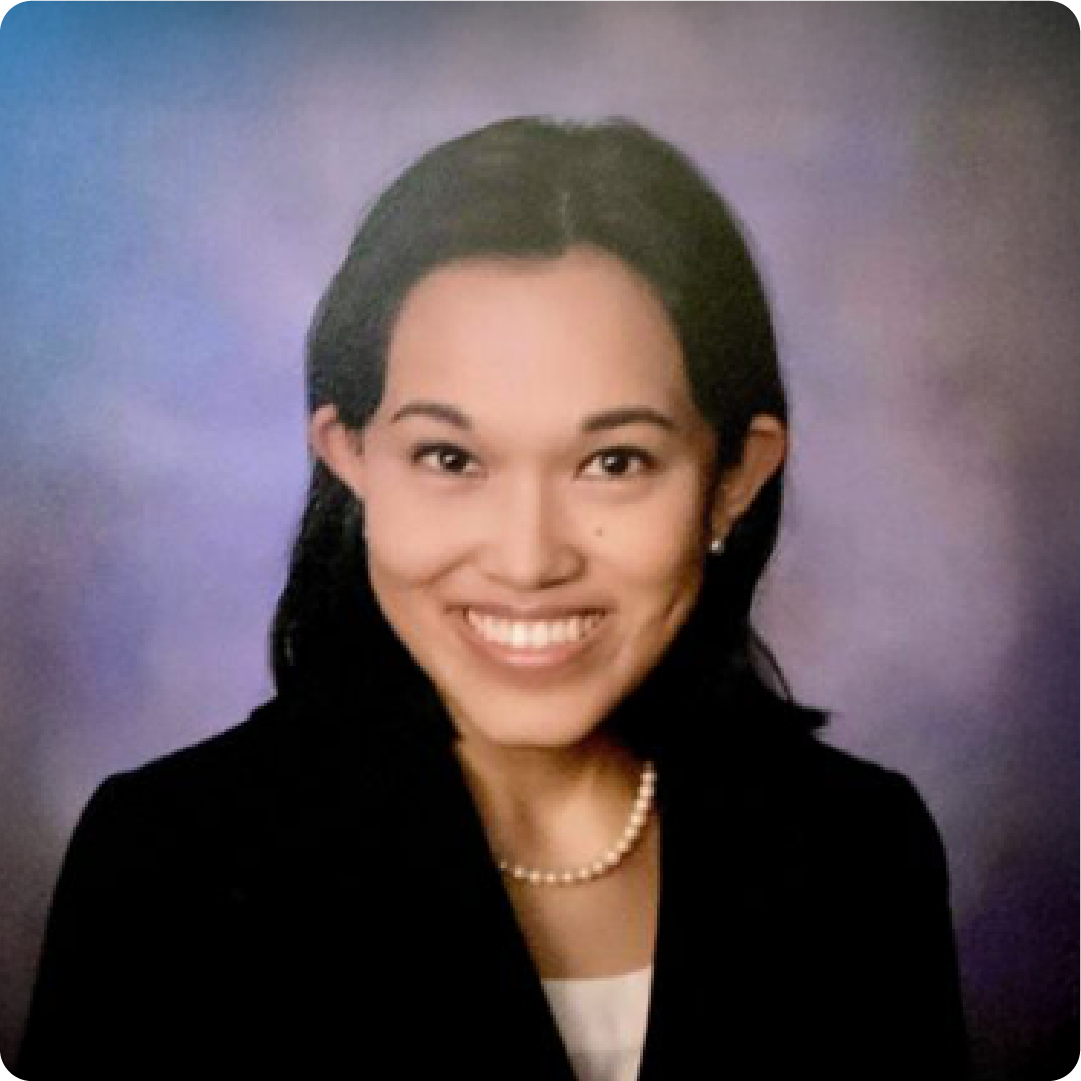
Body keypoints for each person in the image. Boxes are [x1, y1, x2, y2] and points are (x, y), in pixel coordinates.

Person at [16, 116, 970, 1080]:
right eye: (450, 457)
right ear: (350, 458)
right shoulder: (167, 866)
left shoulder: (860, 851)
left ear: (732, 476)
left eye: (613, 461)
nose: (526, 559)